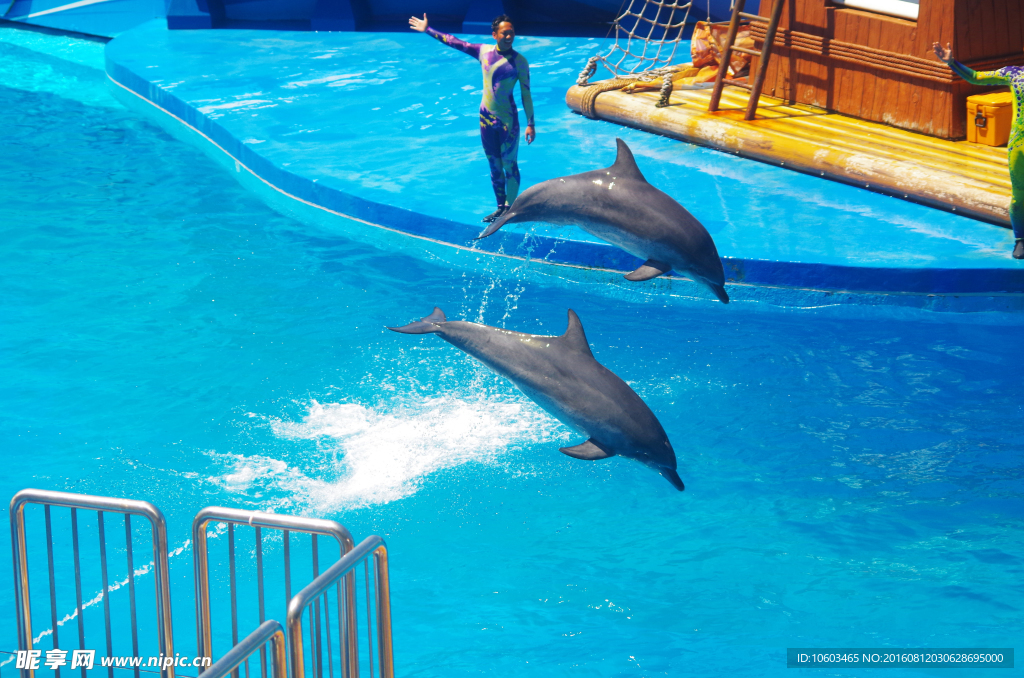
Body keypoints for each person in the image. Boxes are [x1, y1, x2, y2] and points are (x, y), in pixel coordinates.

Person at [410, 13, 535, 223]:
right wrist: (428, 30)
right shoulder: (483, 52)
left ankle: (510, 209)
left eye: (512, 32)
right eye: (505, 32)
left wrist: (531, 124)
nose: (509, 36)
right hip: (486, 119)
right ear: (495, 35)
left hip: (507, 121)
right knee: (494, 165)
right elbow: (455, 42)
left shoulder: (520, 62)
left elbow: (526, 94)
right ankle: (499, 208)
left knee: (509, 165)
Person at [934, 41, 1024, 259]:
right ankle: (1020, 239)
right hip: (1020, 146)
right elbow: (976, 78)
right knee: (1019, 197)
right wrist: (951, 63)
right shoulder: (1015, 74)